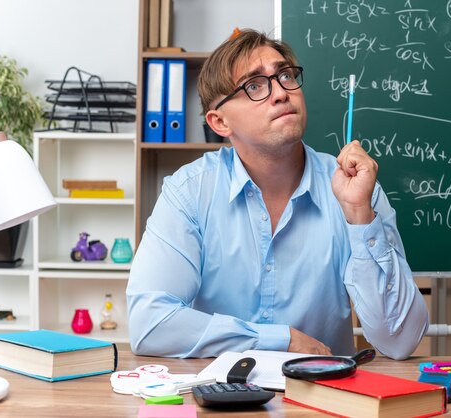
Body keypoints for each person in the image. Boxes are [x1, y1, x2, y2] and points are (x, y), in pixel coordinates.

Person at [126, 29, 429, 360]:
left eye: (285, 76)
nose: (282, 93)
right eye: (255, 85)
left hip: (324, 399)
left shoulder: (354, 187)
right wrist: (278, 340)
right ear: (219, 122)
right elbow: (149, 324)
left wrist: (360, 216)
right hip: (221, 401)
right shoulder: (190, 191)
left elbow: (399, 342)